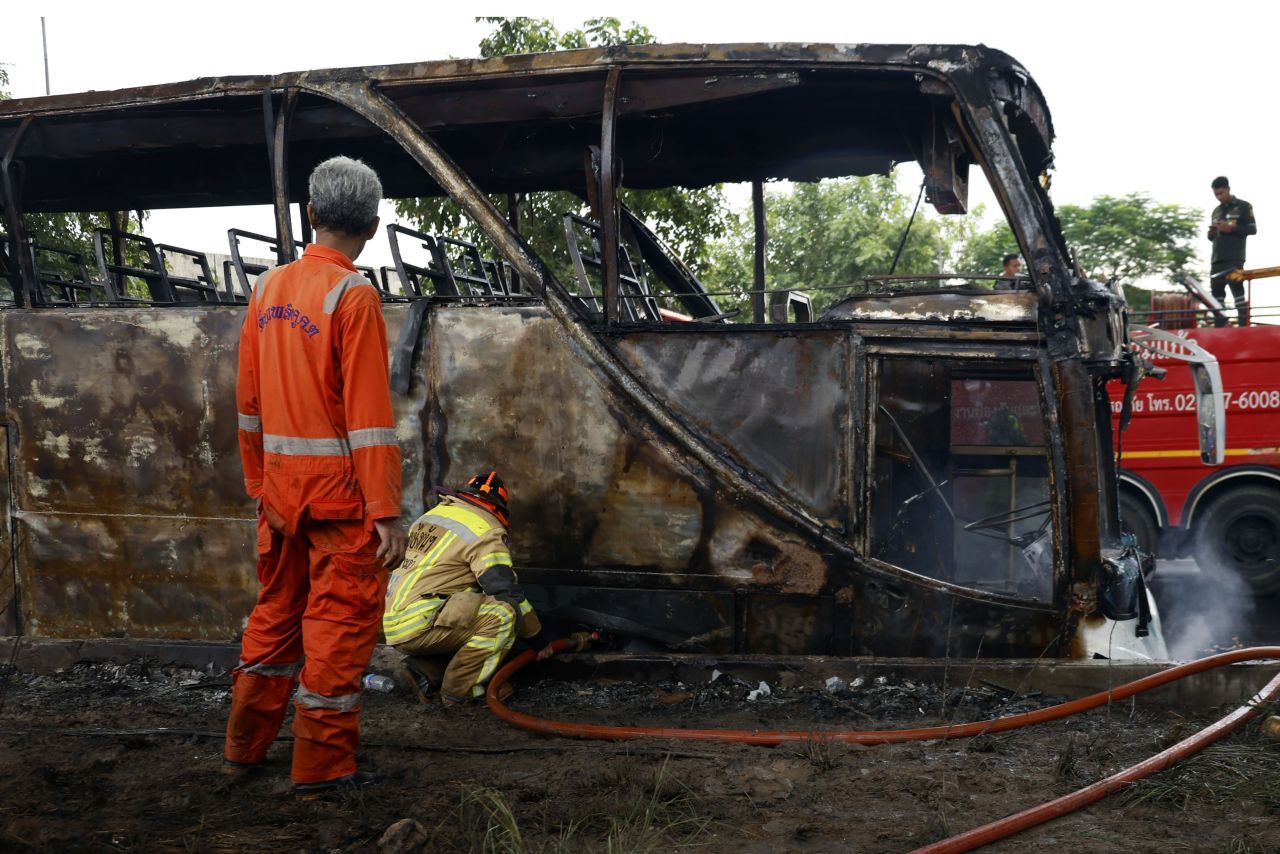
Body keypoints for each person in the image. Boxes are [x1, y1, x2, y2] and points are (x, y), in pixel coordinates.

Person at [224, 155, 407, 799]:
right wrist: (385, 509)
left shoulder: (267, 289)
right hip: (341, 503)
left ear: (310, 215)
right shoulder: (353, 296)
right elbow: (369, 420)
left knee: (275, 614)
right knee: (338, 625)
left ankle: (245, 746)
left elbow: (248, 402)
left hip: (279, 497)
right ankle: (323, 768)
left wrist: (260, 484)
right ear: (375, 226)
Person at [383, 471, 553, 706]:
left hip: (395, 623)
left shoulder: (432, 516)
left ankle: (424, 671)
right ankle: (462, 691)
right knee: (502, 614)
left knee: (469, 606)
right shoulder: (485, 528)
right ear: (498, 508)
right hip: (423, 621)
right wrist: (538, 639)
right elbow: (505, 591)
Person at [1207, 176, 1256, 327]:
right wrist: (1212, 233)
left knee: (1238, 295)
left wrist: (1231, 228)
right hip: (1216, 259)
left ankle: (1243, 327)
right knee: (1217, 298)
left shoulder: (1244, 206)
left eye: (1221, 193)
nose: (1219, 197)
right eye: (1216, 194)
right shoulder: (1216, 211)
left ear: (1228, 189)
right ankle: (1220, 327)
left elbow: (1252, 229)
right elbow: (1211, 238)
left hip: (1234, 259)